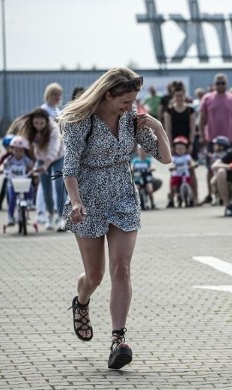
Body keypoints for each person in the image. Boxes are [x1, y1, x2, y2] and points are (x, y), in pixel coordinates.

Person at [57, 67, 172, 370]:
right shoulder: (81, 121)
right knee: (94, 276)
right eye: (125, 101)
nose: (130, 106)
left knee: (121, 268)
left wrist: (158, 128)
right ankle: (81, 301)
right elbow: (69, 168)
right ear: (108, 94)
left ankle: (118, 339)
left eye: (134, 100)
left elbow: (165, 157)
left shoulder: (132, 120)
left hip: (123, 196)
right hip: (88, 198)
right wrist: (76, 202)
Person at [19, 108, 65, 231]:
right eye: (36, 123)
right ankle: (50, 214)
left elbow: (53, 149)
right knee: (46, 188)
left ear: (46, 122)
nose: (38, 126)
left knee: (59, 186)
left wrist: (45, 165)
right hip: (41, 158)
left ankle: (62, 218)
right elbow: (25, 145)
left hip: (58, 157)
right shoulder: (31, 130)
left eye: (41, 123)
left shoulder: (53, 128)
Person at [199, 73, 232, 205]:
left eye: (223, 83)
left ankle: (229, 194)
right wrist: (202, 136)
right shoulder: (207, 98)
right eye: (218, 83)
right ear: (214, 84)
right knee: (211, 167)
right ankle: (211, 194)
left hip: (230, 140)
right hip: (212, 139)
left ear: (226, 84)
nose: (220, 85)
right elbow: (202, 119)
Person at [0, 136, 34, 226]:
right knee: (12, 199)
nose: (18, 153)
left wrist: (34, 170)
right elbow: (3, 166)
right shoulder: (10, 160)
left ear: (24, 151)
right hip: (13, 183)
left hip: (23, 182)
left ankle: (30, 202)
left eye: (21, 151)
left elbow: (32, 166)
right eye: (16, 150)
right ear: (12, 150)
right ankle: (10, 217)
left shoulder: (26, 160)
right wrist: (1, 170)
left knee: (30, 187)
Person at [167, 136, 196, 208]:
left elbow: (192, 162)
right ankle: (171, 200)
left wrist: (193, 164)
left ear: (186, 149)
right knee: (173, 187)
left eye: (182, 149)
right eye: (178, 149)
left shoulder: (187, 157)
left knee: (190, 185)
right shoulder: (174, 158)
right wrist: (172, 167)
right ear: (174, 149)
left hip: (185, 175)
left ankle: (192, 198)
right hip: (176, 175)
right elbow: (171, 164)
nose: (180, 150)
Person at [131, 145, 157, 210]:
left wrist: (151, 168)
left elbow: (153, 166)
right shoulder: (135, 160)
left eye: (144, 150)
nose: (142, 152)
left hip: (146, 178)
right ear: (138, 151)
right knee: (136, 190)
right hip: (138, 178)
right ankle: (136, 205)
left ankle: (152, 203)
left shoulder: (148, 160)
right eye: (141, 150)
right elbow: (131, 167)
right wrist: (132, 169)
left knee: (150, 190)